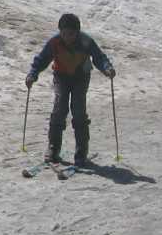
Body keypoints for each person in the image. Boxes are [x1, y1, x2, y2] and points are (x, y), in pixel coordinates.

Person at [25, 13, 115, 168]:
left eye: (71, 34)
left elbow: (99, 57)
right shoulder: (54, 42)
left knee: (79, 110)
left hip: (81, 77)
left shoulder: (86, 41)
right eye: (64, 33)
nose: (67, 37)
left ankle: (81, 152)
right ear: (60, 31)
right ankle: (53, 148)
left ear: (77, 32)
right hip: (61, 77)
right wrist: (33, 74)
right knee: (60, 108)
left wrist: (107, 68)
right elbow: (42, 59)